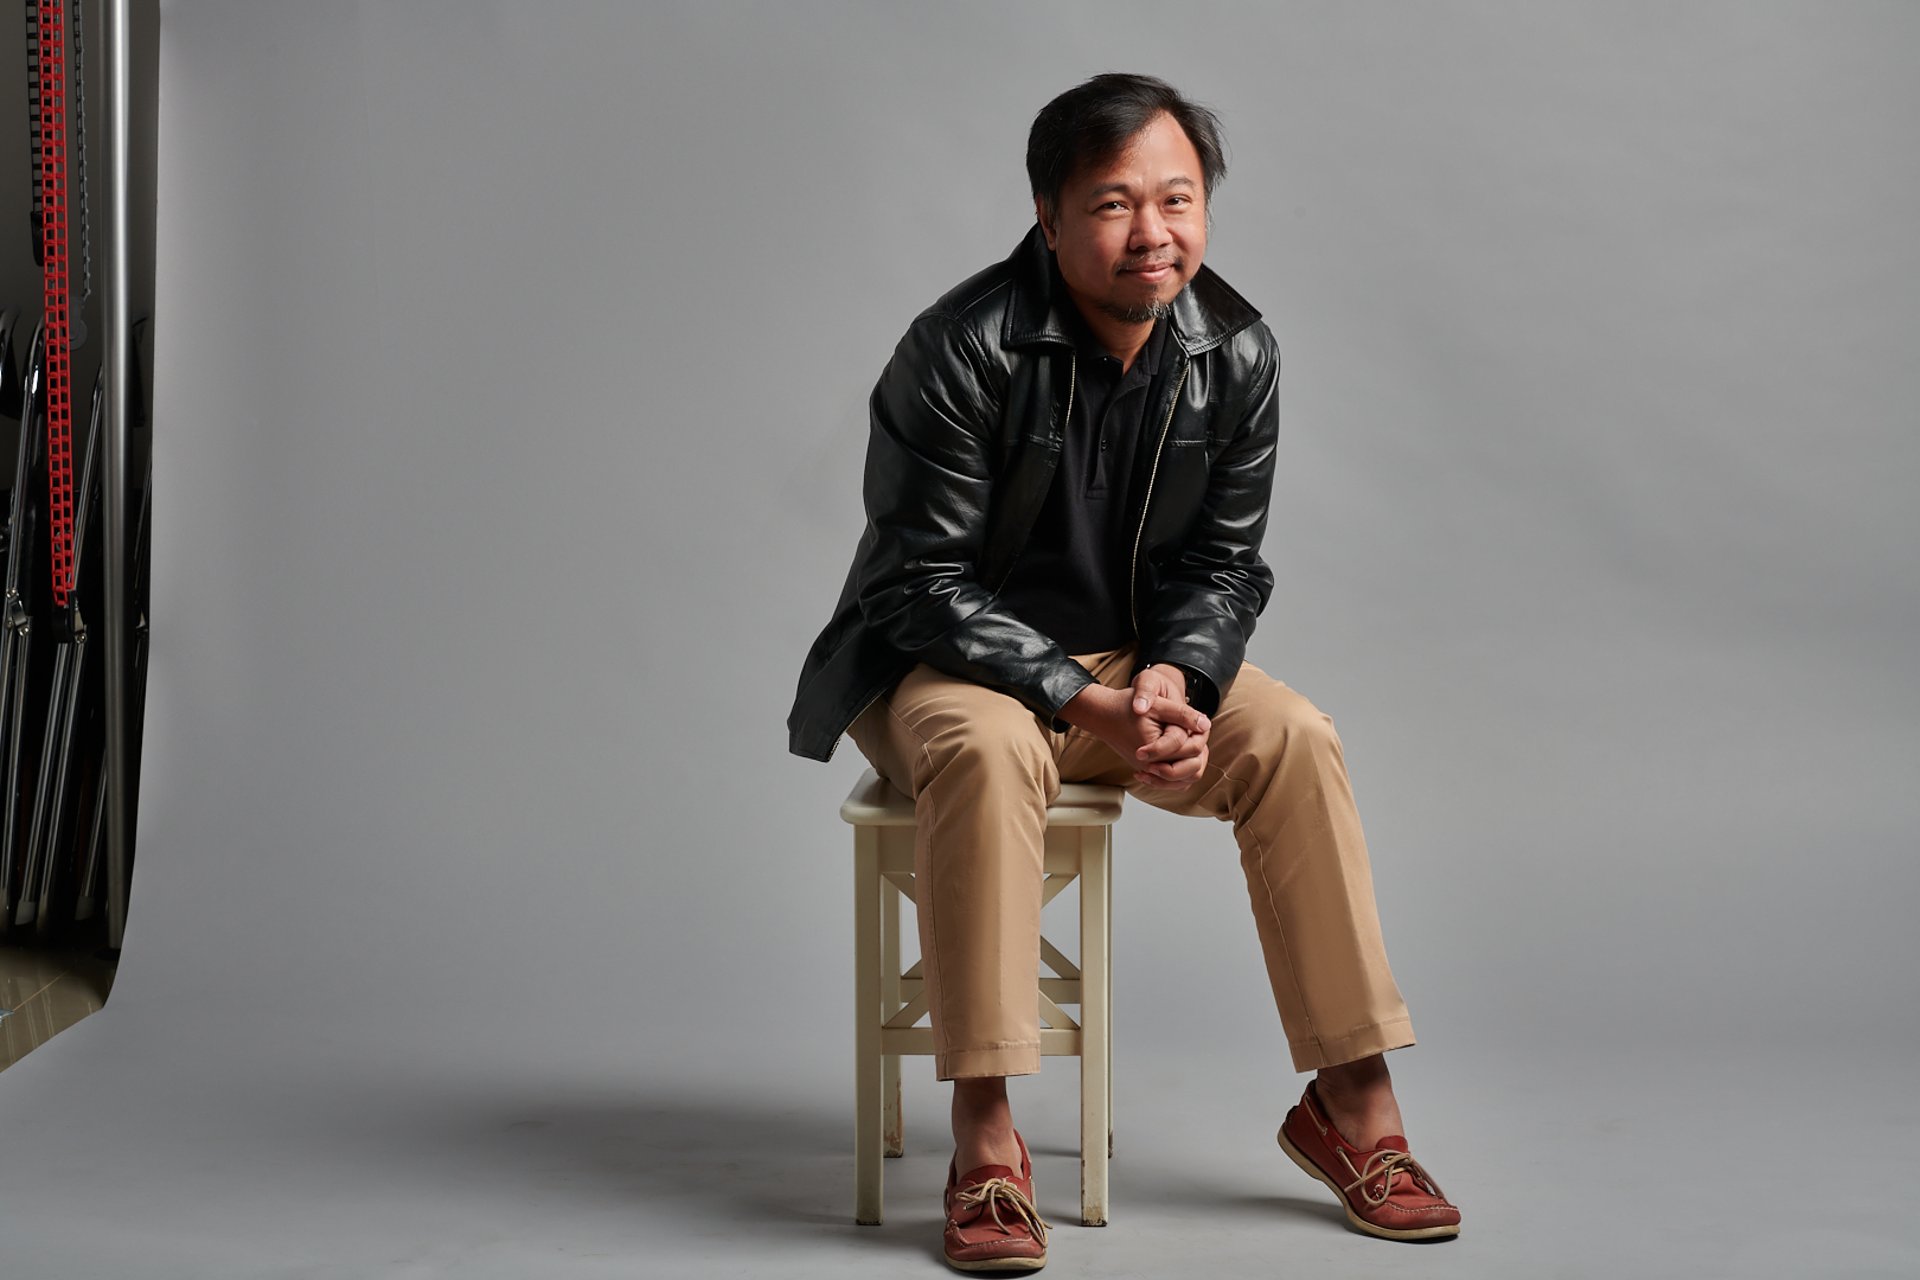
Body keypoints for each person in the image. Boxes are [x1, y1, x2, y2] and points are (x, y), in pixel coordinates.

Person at [788, 72, 1460, 1272]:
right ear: (1048, 217)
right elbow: (918, 585)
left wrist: (1182, 681)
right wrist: (1083, 694)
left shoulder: (1235, 351)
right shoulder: (959, 347)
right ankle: (986, 1136)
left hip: (1129, 671)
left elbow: (1226, 564)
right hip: (947, 664)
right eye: (1112, 203)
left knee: (1295, 733)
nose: (1152, 232)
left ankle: (1354, 1107)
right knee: (992, 748)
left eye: (1177, 198)